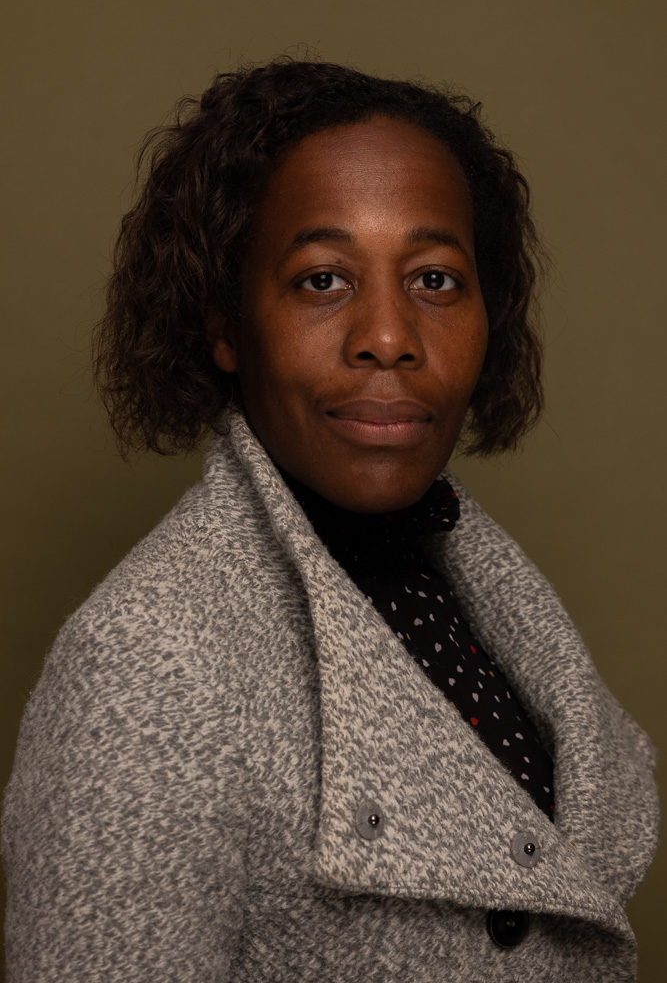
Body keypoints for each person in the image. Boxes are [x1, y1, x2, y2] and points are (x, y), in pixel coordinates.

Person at [2, 57, 659, 982]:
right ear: (224, 325)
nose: (388, 336)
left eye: (435, 279)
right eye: (321, 280)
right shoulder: (146, 661)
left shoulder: (455, 582)